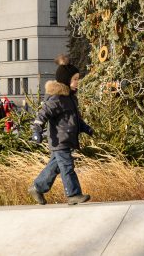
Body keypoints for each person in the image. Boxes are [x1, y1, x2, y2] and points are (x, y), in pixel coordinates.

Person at [29, 55, 93, 206]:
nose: (78, 82)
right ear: (66, 80)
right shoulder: (57, 99)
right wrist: (36, 130)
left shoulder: (71, 98)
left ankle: (37, 187)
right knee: (67, 166)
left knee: (55, 167)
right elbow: (42, 114)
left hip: (66, 139)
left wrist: (86, 128)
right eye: (75, 79)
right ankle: (73, 194)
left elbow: (76, 119)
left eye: (78, 78)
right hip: (59, 140)